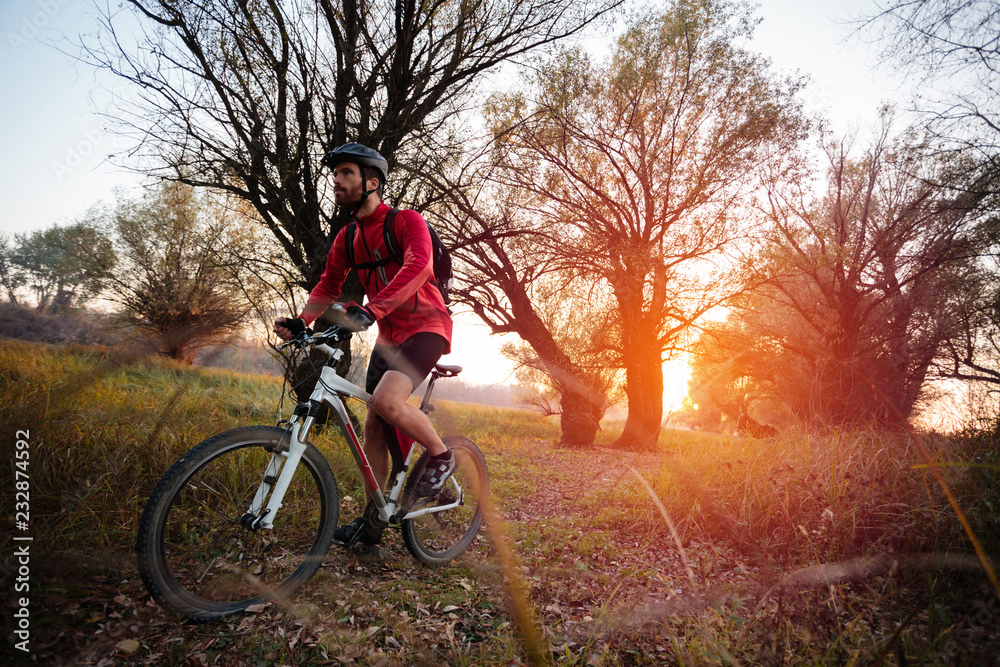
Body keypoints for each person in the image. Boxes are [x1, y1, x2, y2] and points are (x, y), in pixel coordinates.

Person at [273, 142, 455, 547]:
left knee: (387, 404)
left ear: (372, 182)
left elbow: (419, 265)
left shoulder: (407, 221)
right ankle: (375, 518)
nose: (336, 181)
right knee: (374, 422)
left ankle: (442, 455)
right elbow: (328, 285)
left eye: (346, 174)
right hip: (389, 335)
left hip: (427, 326)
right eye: (334, 174)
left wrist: (375, 308)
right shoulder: (347, 237)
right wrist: (303, 321)